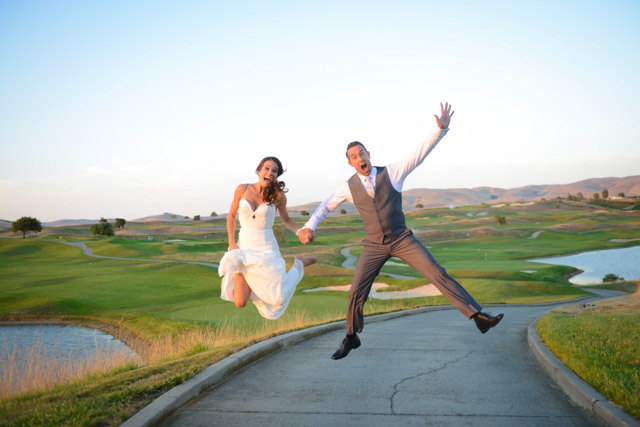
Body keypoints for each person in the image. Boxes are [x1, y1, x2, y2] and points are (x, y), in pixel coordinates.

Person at [298, 103, 503, 360]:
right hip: (374, 246)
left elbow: (419, 154)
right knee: (355, 290)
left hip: (402, 239)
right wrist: (308, 226)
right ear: (349, 163)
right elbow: (325, 206)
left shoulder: (392, 172)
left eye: (362, 153)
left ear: (369, 154)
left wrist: (439, 131)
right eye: (354, 156)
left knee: (437, 272)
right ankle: (351, 337)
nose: (359, 158)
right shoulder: (348, 187)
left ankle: (478, 317)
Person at [219, 156, 317, 319]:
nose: (270, 172)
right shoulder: (242, 189)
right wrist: (231, 243)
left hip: (266, 249)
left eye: (274, 171)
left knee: (278, 299)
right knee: (240, 302)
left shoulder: (278, 196)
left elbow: (286, 220)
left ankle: (299, 263)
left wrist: (299, 231)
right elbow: (231, 215)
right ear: (259, 170)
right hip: (244, 248)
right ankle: (248, 277)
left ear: (277, 176)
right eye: (267, 168)